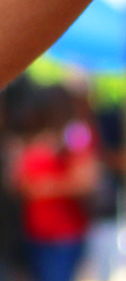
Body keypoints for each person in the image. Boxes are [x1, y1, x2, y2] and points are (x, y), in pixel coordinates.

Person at [9, 84, 99, 281]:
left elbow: (87, 180)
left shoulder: (75, 134)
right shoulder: (32, 137)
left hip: (64, 234)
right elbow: (17, 181)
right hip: (34, 233)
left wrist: (45, 187)